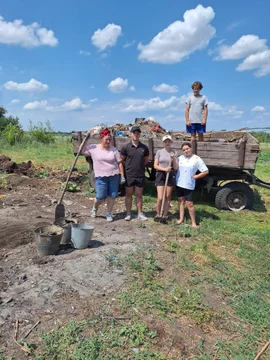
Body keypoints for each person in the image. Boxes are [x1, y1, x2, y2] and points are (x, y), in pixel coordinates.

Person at [83, 128, 125, 222]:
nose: (108, 141)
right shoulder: (93, 148)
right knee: (100, 196)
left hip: (114, 176)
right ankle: (95, 207)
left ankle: (109, 213)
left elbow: (120, 163)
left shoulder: (113, 150)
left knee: (112, 195)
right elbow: (82, 151)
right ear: (101, 139)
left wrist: (122, 176)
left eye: (109, 139)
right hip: (101, 177)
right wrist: (86, 139)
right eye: (106, 139)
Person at [176, 142, 209, 228]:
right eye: (184, 150)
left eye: (187, 149)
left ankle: (194, 223)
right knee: (180, 201)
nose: (186, 151)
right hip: (179, 183)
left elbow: (205, 171)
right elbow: (175, 167)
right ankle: (181, 218)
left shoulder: (197, 159)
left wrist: (196, 176)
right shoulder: (180, 158)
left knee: (189, 203)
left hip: (189, 184)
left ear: (191, 148)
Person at [120, 125, 149, 221]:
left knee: (139, 195)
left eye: (137, 133)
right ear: (130, 134)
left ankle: (139, 213)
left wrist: (139, 166)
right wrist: (129, 166)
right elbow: (122, 160)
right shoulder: (126, 147)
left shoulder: (144, 148)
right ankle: (128, 213)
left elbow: (146, 160)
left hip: (140, 174)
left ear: (140, 134)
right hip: (129, 175)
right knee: (128, 195)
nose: (136, 134)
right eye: (134, 133)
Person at [154, 135, 178, 220]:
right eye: (165, 142)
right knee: (160, 197)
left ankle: (165, 215)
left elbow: (175, 167)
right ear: (163, 143)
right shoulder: (159, 152)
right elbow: (155, 166)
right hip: (161, 174)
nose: (167, 143)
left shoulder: (174, 152)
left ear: (171, 142)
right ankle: (158, 214)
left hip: (170, 175)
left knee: (167, 196)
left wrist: (173, 158)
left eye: (169, 141)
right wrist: (164, 169)